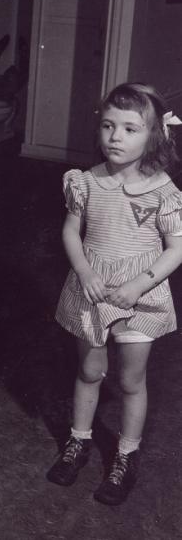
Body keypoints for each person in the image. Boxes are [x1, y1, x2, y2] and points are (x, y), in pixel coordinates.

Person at [46, 82, 182, 506]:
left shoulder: (162, 191)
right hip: (93, 288)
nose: (115, 137)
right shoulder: (85, 182)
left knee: (129, 379)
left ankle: (126, 453)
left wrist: (140, 283)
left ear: (154, 135)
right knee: (89, 370)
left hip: (141, 293)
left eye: (129, 128)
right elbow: (72, 230)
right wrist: (83, 270)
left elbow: (177, 247)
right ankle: (79, 440)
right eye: (108, 126)